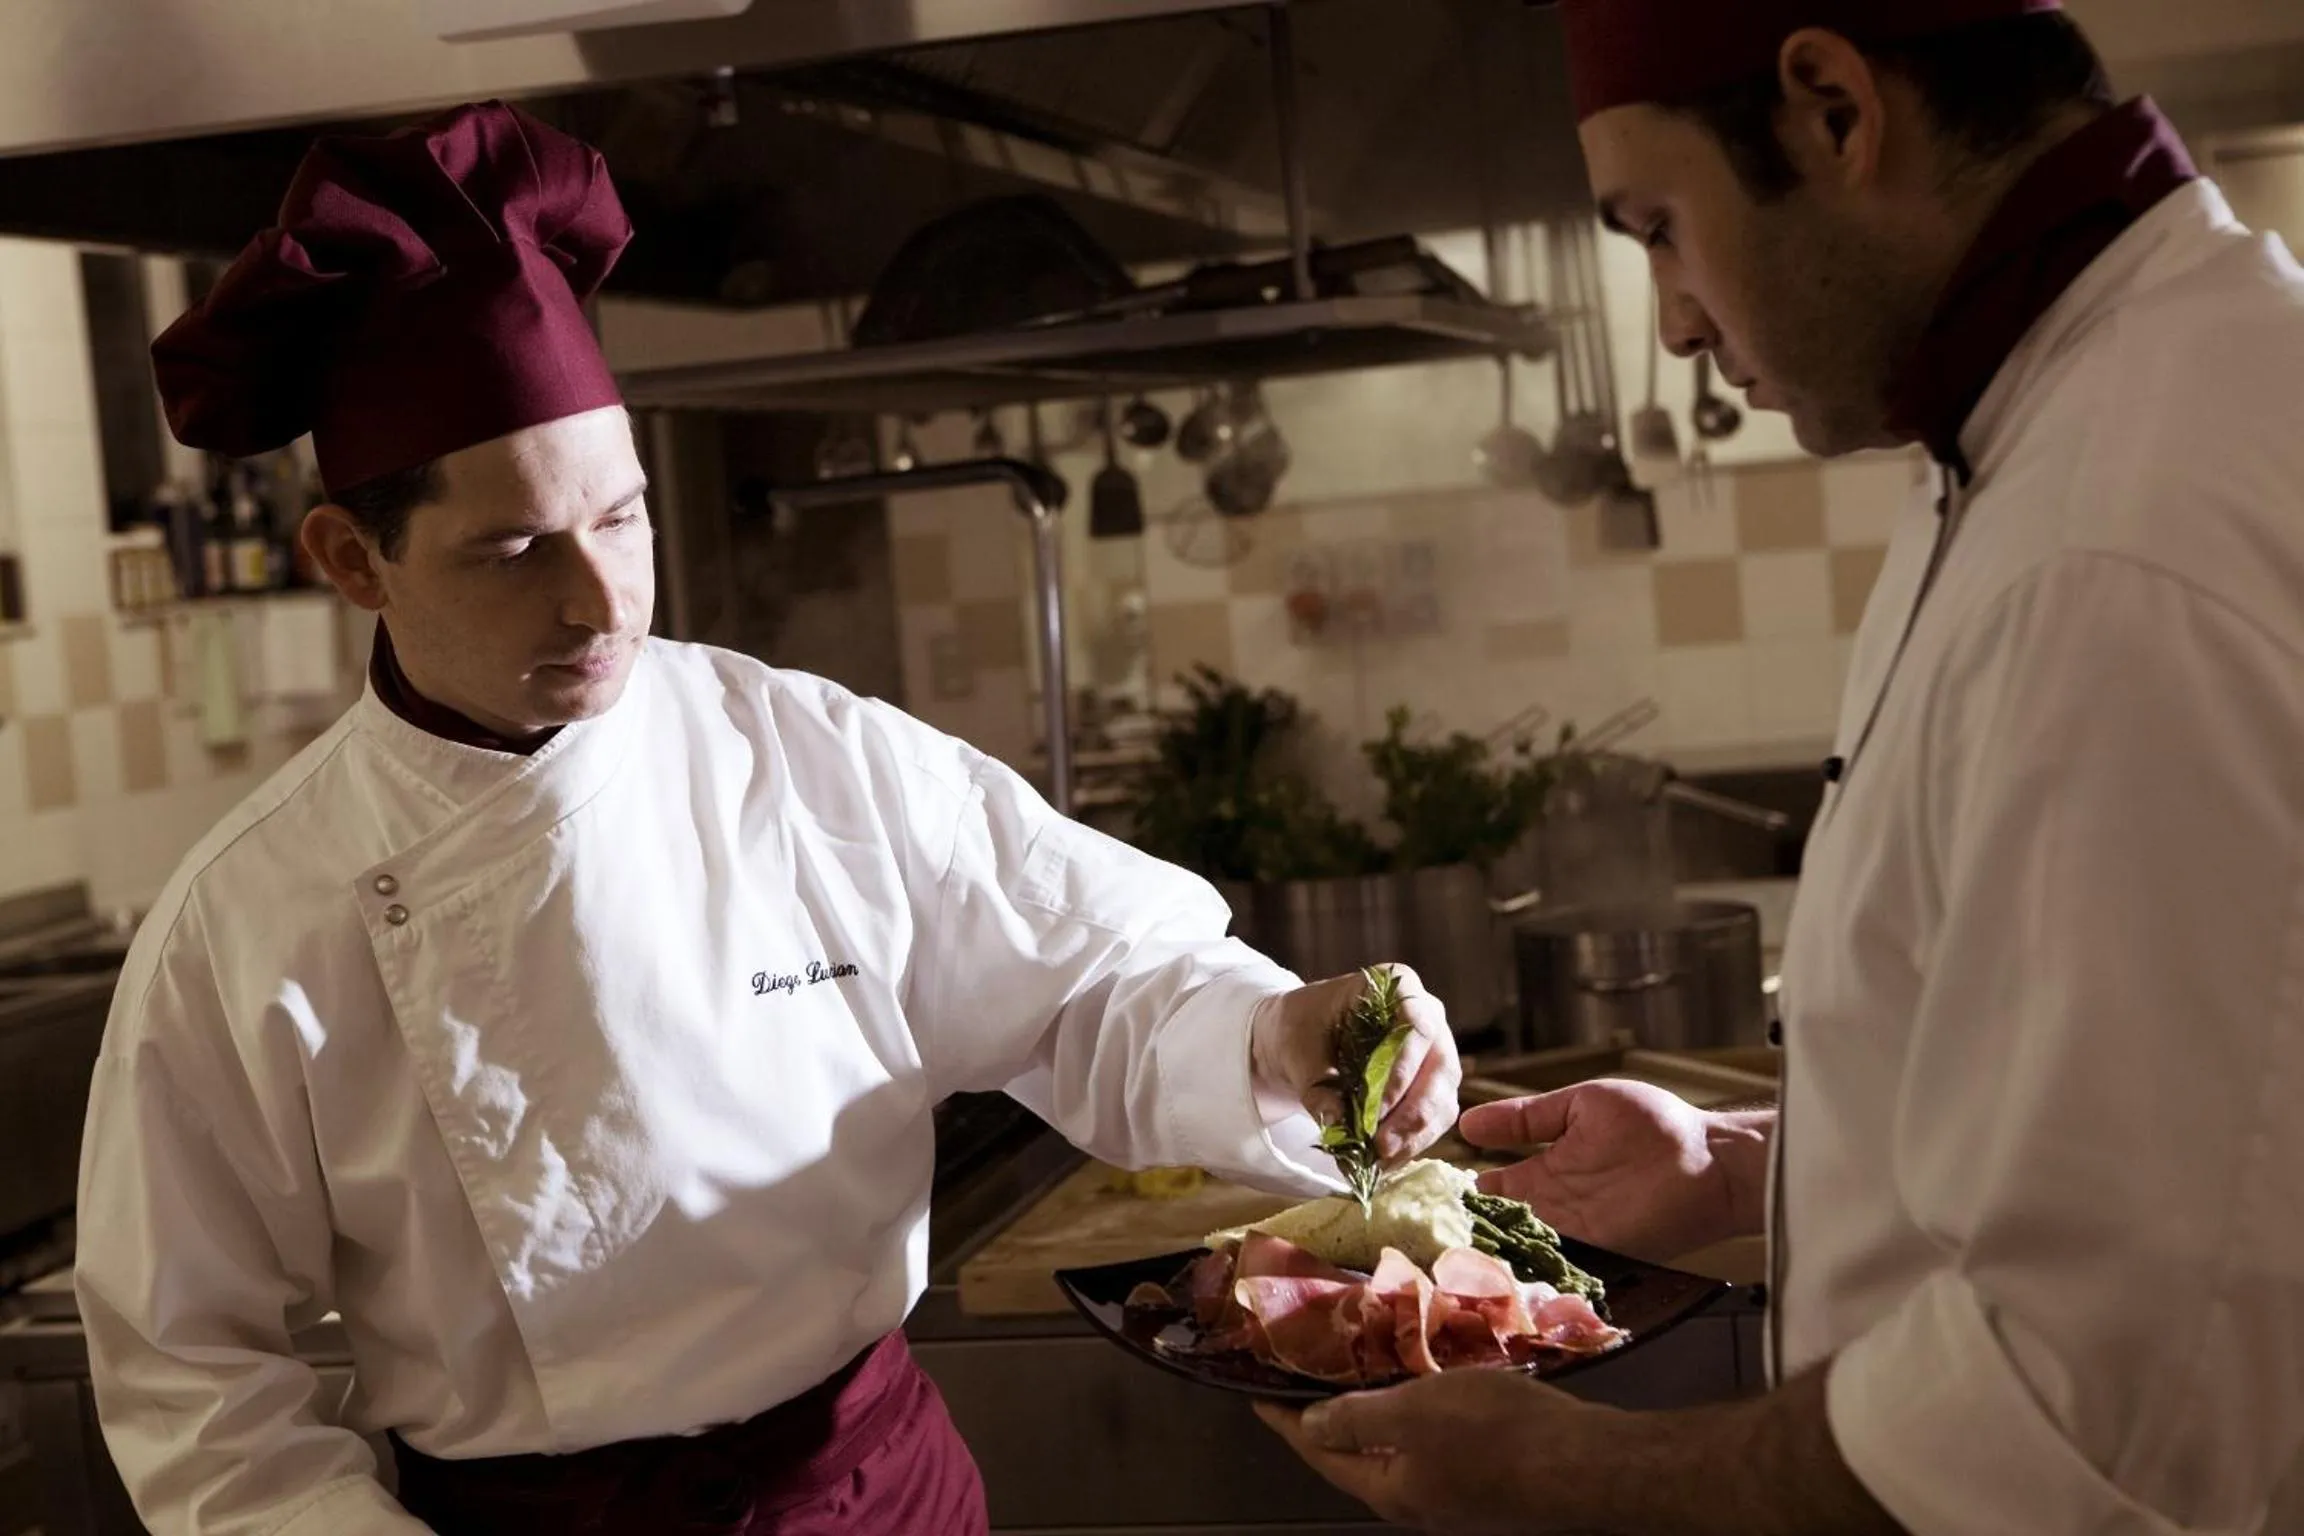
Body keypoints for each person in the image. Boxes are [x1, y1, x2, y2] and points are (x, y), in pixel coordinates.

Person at [72, 100, 1463, 1536]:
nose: (601, 602)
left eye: (622, 519)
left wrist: (1278, 1034)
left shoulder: (795, 752)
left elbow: (1091, 982)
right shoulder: (244, 921)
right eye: (513, 550)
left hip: (875, 1497)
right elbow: (193, 1380)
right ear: (352, 559)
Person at [1259, 2, 2304, 1532]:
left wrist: (1571, 1478)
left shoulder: (2121, 543)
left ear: (1831, 108)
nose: (1674, 320)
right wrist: (1752, 1166)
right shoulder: (2066, 426)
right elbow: (2167, 1132)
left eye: (1661, 228)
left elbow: (2106, 1413)